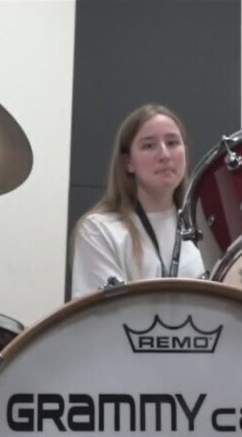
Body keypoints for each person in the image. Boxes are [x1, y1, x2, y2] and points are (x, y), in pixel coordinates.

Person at [70, 104, 206, 300]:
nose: (164, 155)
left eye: (172, 142)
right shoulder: (100, 230)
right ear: (128, 163)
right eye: (149, 145)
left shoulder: (204, 229)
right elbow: (102, 314)